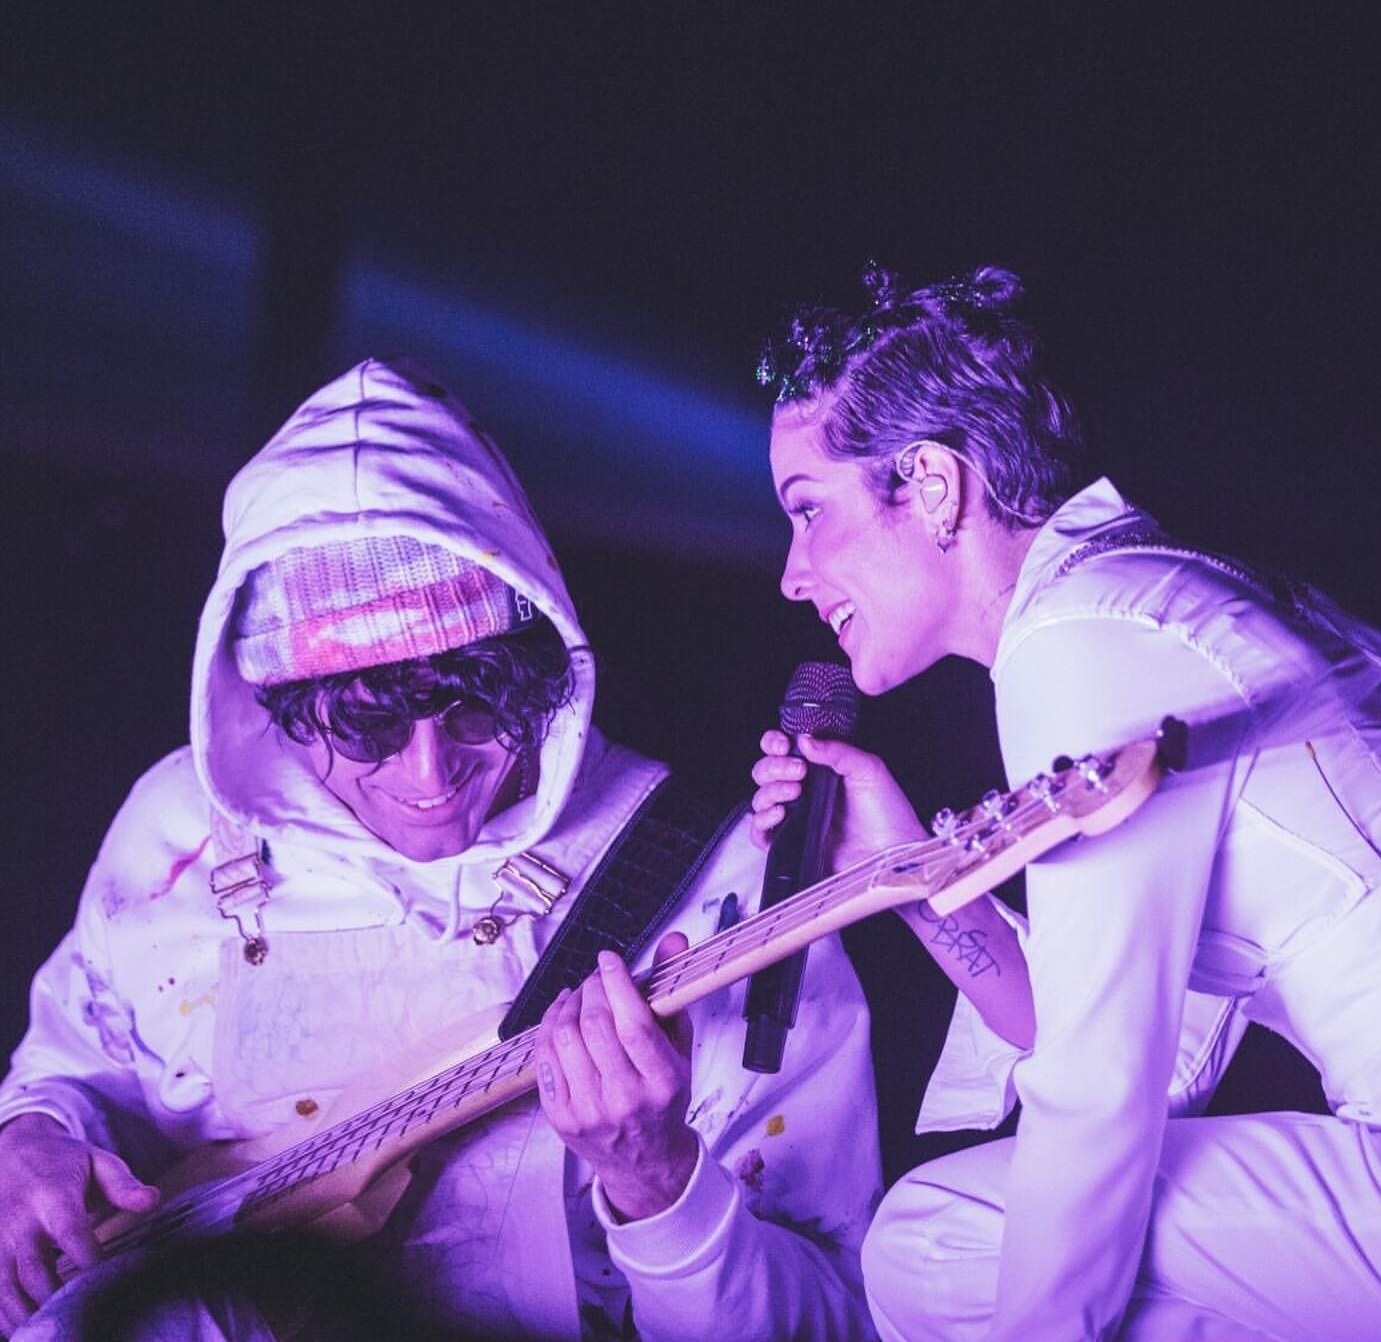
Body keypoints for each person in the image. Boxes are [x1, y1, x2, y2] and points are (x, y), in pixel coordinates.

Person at [0, 358, 882, 1341]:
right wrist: (34, 1132)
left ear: (544, 670)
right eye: (368, 725)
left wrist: (660, 1185)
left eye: (477, 709)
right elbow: (76, 1061)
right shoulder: (181, 832)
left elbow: (832, 1322)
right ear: (275, 706)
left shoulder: (725, 886)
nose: (430, 774)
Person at [748, 265, 1381, 1340]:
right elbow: (1140, 1057)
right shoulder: (1146, 595)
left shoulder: (1084, 641)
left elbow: (1101, 1100)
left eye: (809, 511)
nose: (792, 574)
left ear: (930, 485)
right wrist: (903, 874)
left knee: (939, 1242)